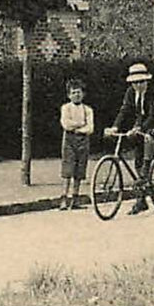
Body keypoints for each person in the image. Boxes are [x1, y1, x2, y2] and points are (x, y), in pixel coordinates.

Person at [108, 61, 154, 215]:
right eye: (135, 82)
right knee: (136, 156)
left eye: (141, 82)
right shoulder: (130, 93)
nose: (138, 85)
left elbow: (153, 115)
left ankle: (145, 171)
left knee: (147, 139)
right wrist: (115, 127)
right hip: (139, 123)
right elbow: (124, 110)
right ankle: (141, 200)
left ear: (147, 81)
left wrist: (140, 128)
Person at [58, 78, 95, 209]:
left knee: (79, 170)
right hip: (69, 140)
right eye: (73, 92)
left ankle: (75, 198)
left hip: (83, 141)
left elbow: (90, 128)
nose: (77, 95)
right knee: (67, 169)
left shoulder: (88, 110)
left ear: (83, 94)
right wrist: (80, 125)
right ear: (69, 95)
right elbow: (66, 124)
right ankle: (64, 198)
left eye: (79, 92)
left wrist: (78, 128)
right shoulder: (66, 108)